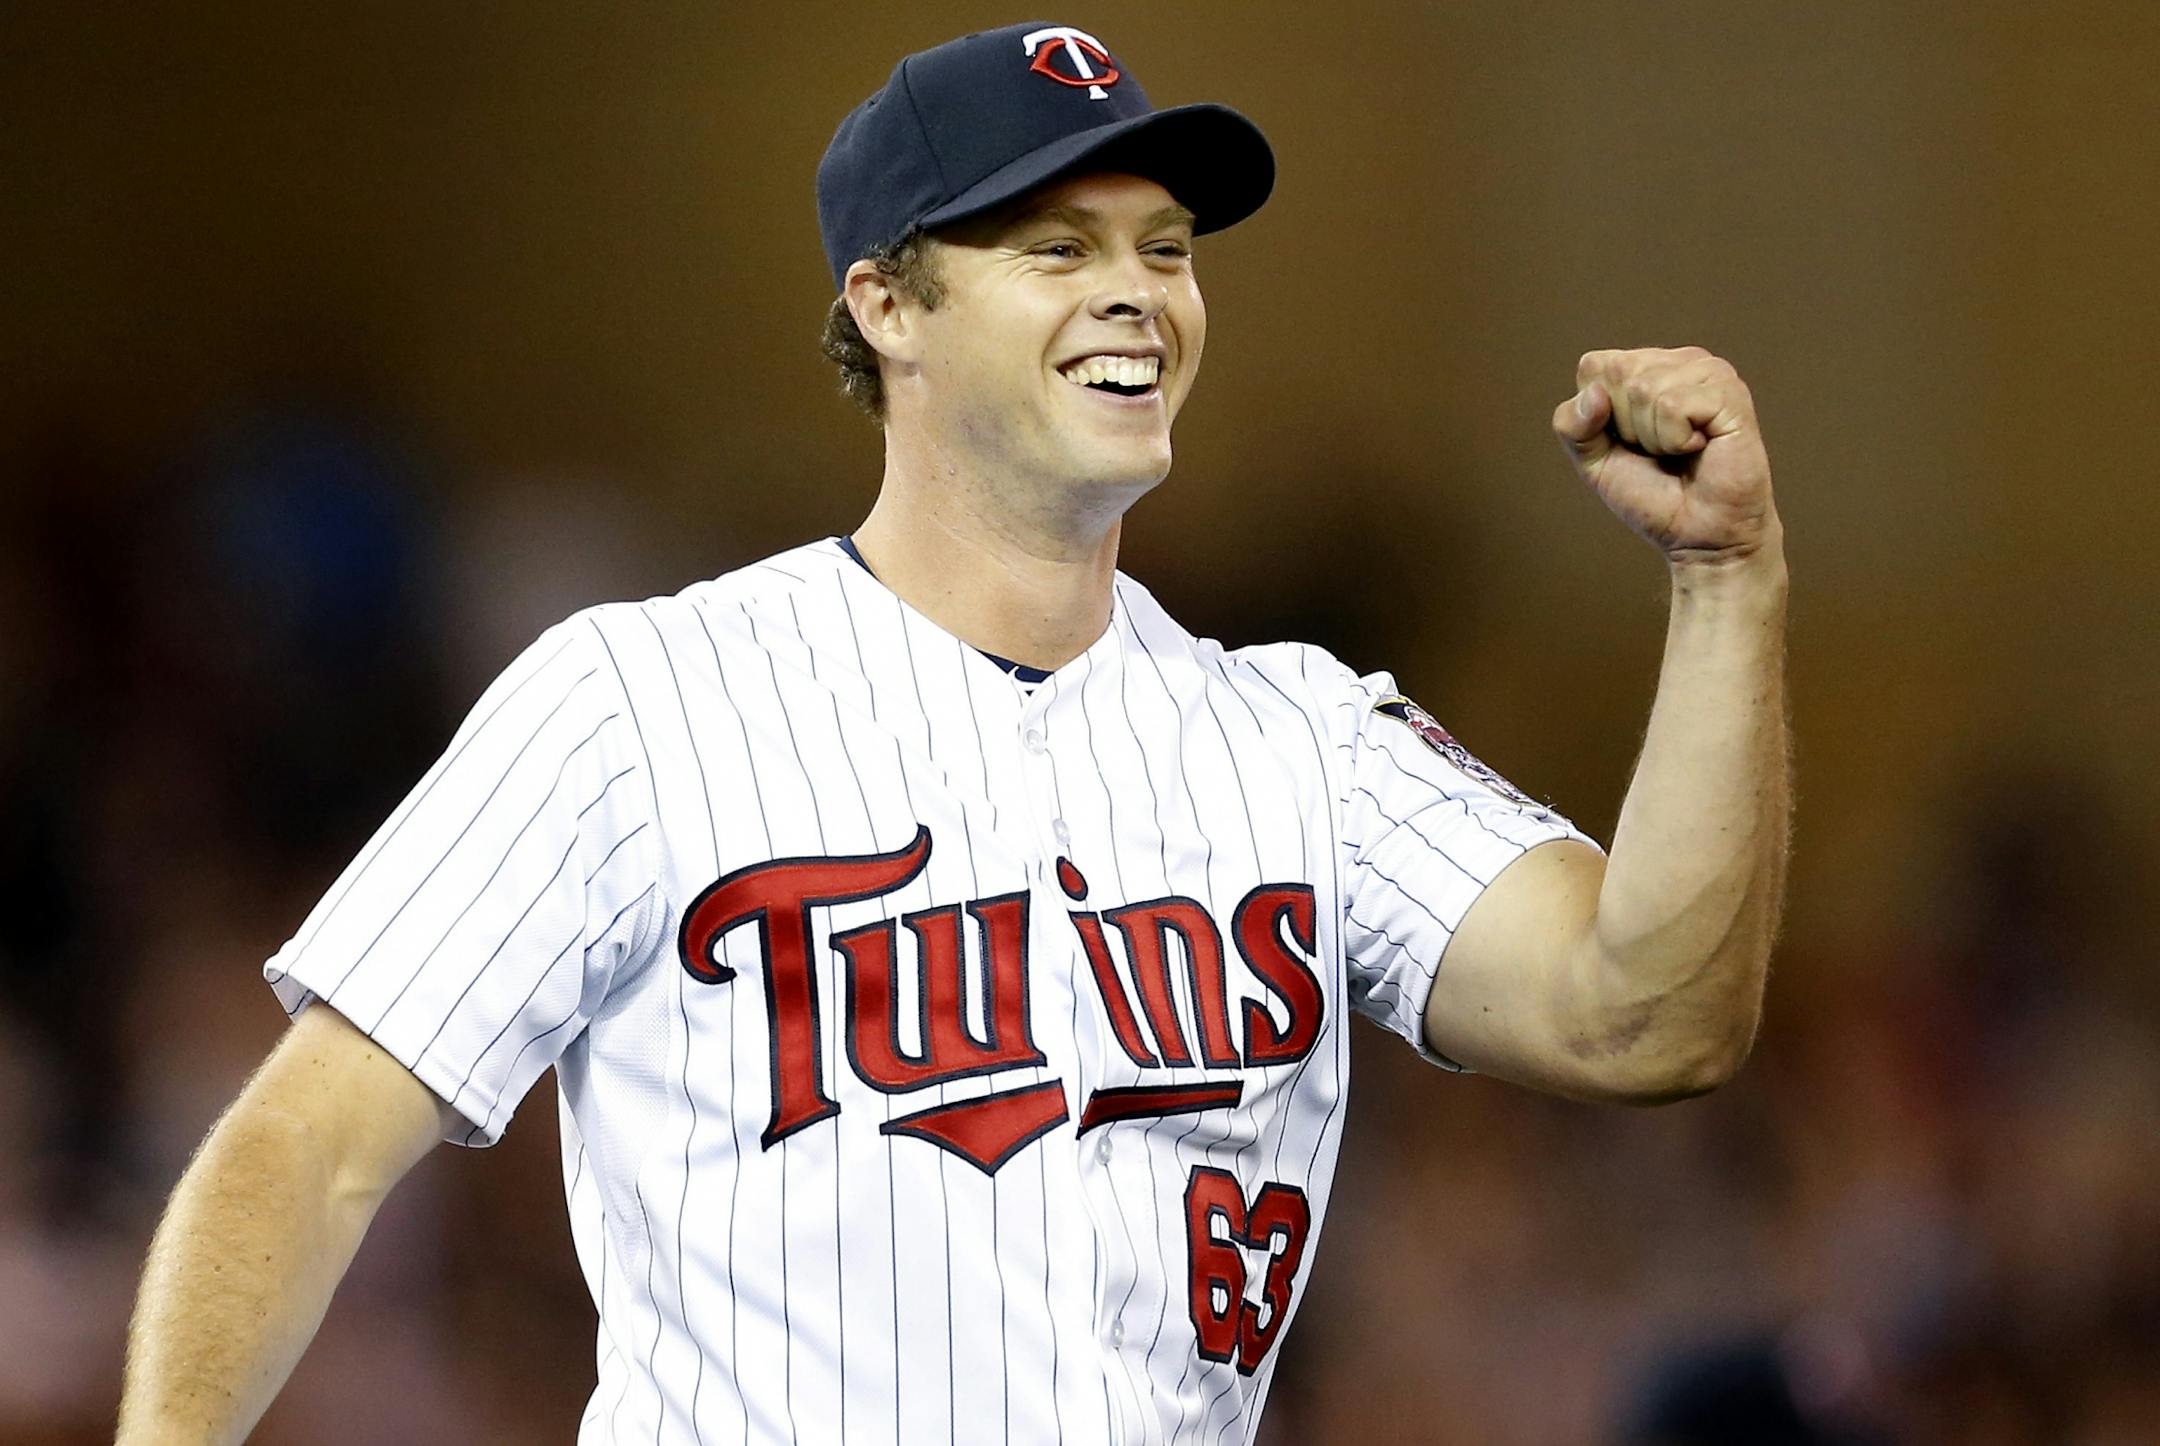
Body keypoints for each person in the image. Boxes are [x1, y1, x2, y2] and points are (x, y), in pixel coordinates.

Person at [117, 21, 1788, 1445]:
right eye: (1056, 249)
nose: (1137, 293)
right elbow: (309, 1142)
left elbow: (1649, 1018)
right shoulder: (638, 699)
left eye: (1166, 247)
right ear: (888, 307)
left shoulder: (1303, 738)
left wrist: (1724, 582)